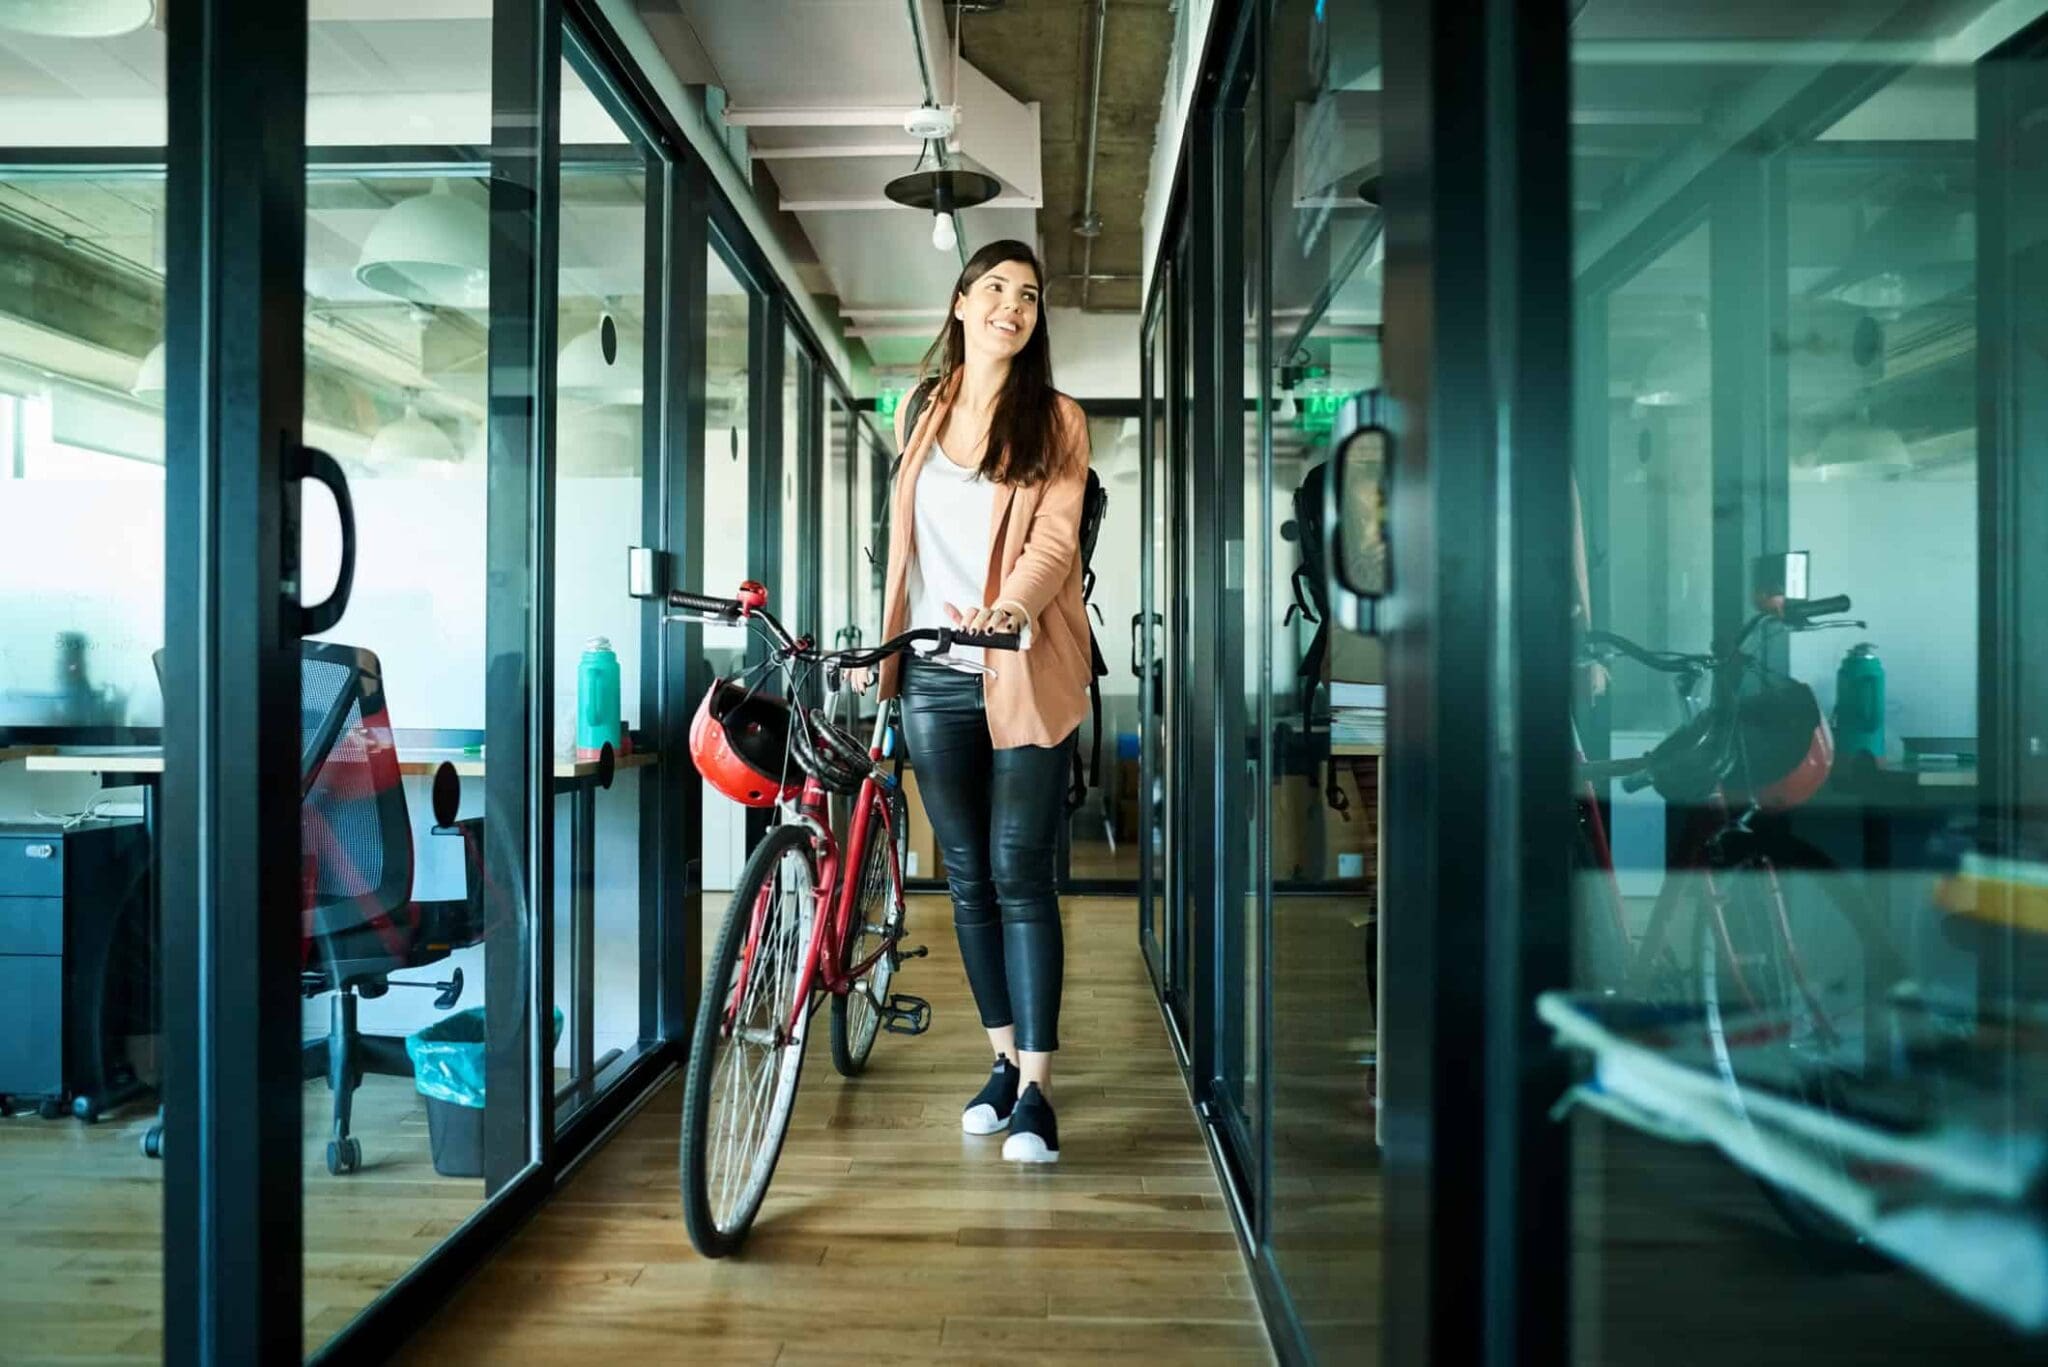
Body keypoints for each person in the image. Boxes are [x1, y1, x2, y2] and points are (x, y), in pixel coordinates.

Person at [846, 239, 1092, 1164]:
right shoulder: (922, 408)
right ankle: (1001, 1060)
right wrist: (883, 644)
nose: (1011, 306)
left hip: (1018, 664)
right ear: (960, 302)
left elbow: (1055, 540)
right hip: (931, 675)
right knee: (966, 875)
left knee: (1020, 869)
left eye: (1027, 295)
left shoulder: (1057, 419)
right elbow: (903, 545)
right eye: (994, 288)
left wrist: (1009, 608)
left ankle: (1037, 1090)